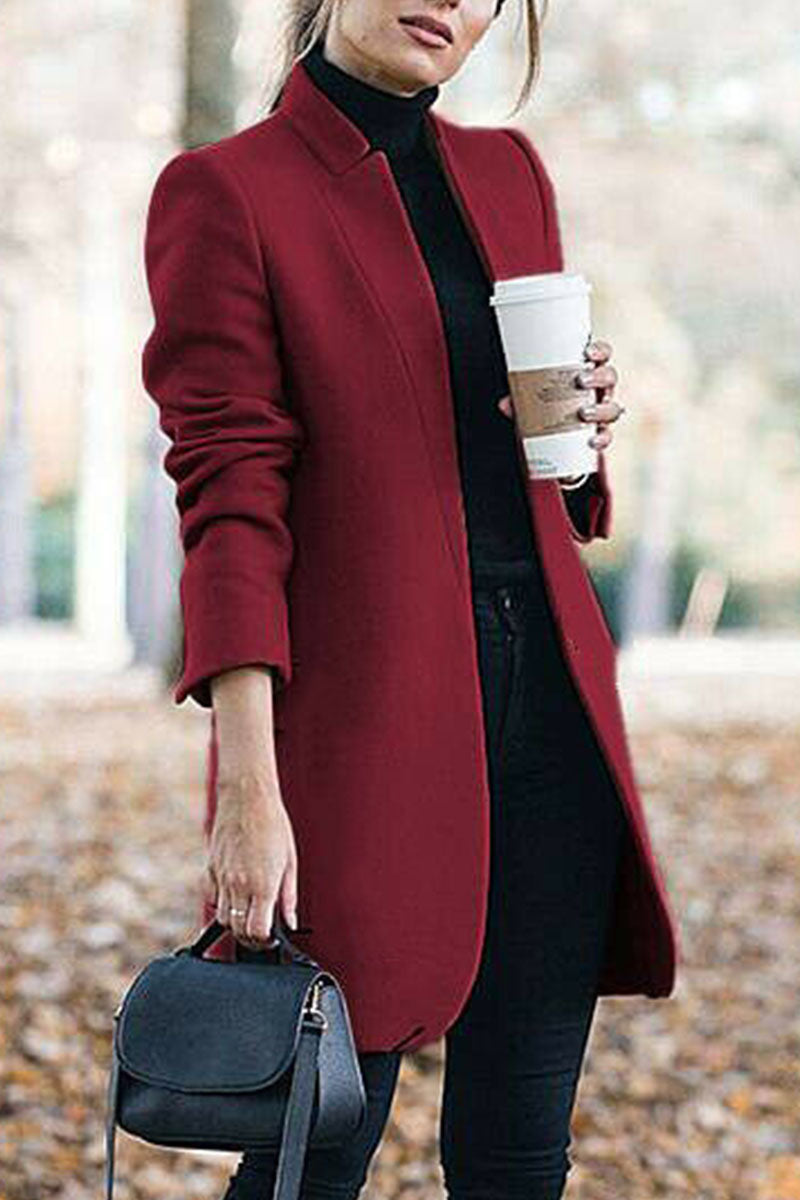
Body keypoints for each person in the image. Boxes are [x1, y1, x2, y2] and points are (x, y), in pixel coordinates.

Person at [141, 2, 680, 1197]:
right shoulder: (224, 193)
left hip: (550, 714)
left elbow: (526, 466)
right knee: (312, 1151)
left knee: (517, 1162)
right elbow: (230, 498)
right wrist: (247, 792)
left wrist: (576, 432)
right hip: (362, 724)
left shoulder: (508, 173)